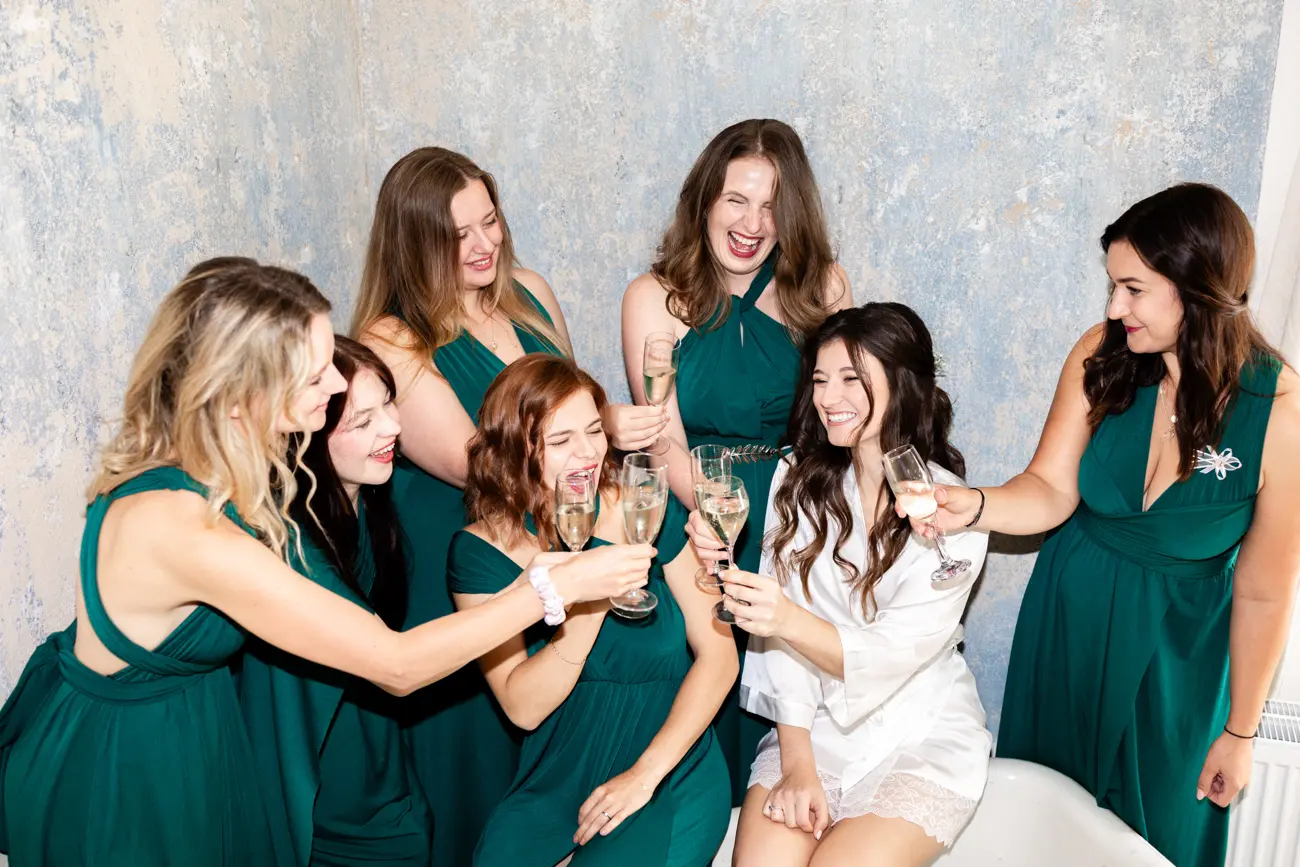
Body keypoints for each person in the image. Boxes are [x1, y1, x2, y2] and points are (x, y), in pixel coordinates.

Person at [0, 259, 651, 865]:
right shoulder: (182, 524)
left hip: (195, 733)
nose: (337, 382)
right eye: (316, 375)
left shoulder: (226, 473)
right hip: (126, 764)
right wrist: (552, 585)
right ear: (242, 391)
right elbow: (396, 664)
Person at [918, 183, 1300, 867]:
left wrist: (1240, 733)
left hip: (1178, 665)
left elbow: (1266, 592)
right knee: (1042, 830)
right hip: (1069, 625)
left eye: (1133, 289)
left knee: (1156, 842)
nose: (1114, 308)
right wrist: (971, 505)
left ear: (1198, 289)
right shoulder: (1102, 353)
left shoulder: (1280, 413)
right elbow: (1047, 489)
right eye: (1112, 287)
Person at [694, 304, 991, 866]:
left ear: (903, 385)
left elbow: (889, 655)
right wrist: (797, 763)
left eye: (852, 379)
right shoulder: (797, 481)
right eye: (820, 379)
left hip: (923, 730)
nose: (828, 397)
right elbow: (782, 646)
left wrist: (785, 618)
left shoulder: (953, 511)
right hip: (814, 725)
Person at [619, 117, 853, 804]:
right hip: (699, 516)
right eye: (736, 200)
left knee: (793, 712)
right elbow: (661, 439)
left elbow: (845, 419)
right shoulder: (654, 297)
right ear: (705, 202)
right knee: (706, 693)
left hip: (801, 514)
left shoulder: (823, 287)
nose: (752, 224)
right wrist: (723, 514)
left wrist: (794, 525)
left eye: (771, 205)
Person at [450, 354, 735, 866]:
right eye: (561, 440)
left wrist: (645, 775)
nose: (588, 453)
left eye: (595, 430)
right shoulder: (480, 552)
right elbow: (523, 707)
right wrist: (588, 592)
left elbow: (721, 656)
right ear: (513, 449)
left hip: (669, 767)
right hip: (558, 777)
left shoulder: (641, 502)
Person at [239, 336, 429, 866]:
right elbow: (396, 664)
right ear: (308, 439)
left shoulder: (378, 503)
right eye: (362, 421)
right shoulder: (291, 545)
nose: (391, 427)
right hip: (322, 762)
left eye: (388, 404)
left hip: (379, 746)